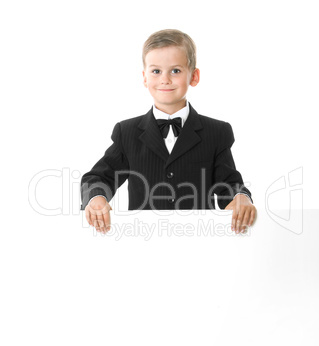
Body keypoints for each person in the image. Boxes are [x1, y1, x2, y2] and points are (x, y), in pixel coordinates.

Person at [80, 29, 256, 234]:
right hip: (143, 240)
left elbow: (228, 184)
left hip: (200, 239)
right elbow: (99, 177)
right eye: (156, 71)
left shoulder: (217, 132)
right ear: (145, 77)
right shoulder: (126, 132)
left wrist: (240, 198)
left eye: (175, 71)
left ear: (194, 76)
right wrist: (97, 198)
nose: (165, 79)